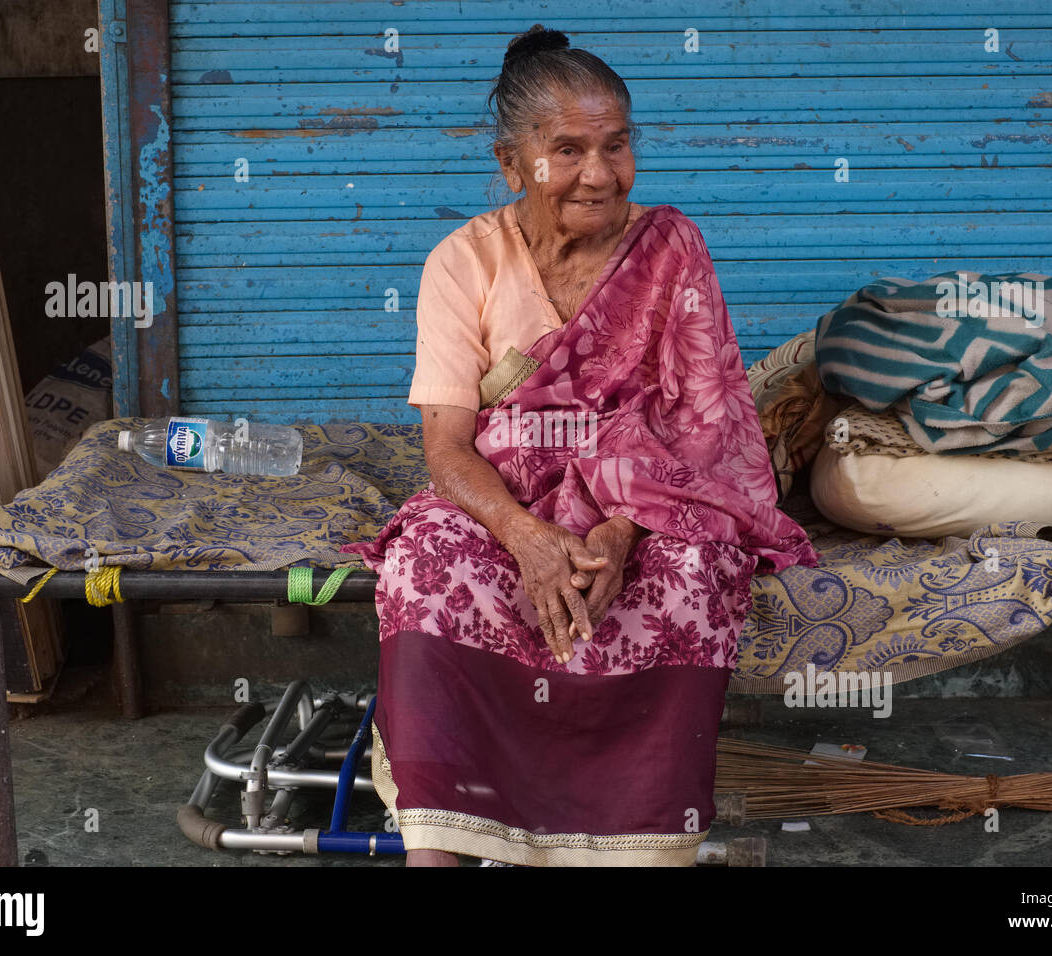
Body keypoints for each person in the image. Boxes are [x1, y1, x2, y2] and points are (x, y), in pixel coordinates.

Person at [341, 24, 817, 866]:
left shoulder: (672, 249)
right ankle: (446, 842)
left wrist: (618, 532)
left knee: (691, 574)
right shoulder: (464, 262)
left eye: (616, 145)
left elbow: (703, 426)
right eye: (567, 149)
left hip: (650, 499)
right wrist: (527, 539)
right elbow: (448, 449)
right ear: (511, 160)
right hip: (506, 499)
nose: (598, 174)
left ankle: (634, 844)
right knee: (424, 566)